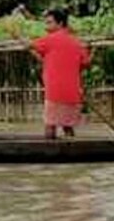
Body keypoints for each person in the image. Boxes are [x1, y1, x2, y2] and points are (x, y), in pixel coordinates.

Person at [29, 9, 91, 139]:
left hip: (55, 92)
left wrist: (28, 46)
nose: (46, 26)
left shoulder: (49, 40)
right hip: (73, 92)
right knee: (67, 126)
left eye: (50, 23)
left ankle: (49, 154)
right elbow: (85, 63)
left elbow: (31, 45)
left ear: (60, 23)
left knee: (50, 125)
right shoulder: (77, 42)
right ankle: (72, 152)